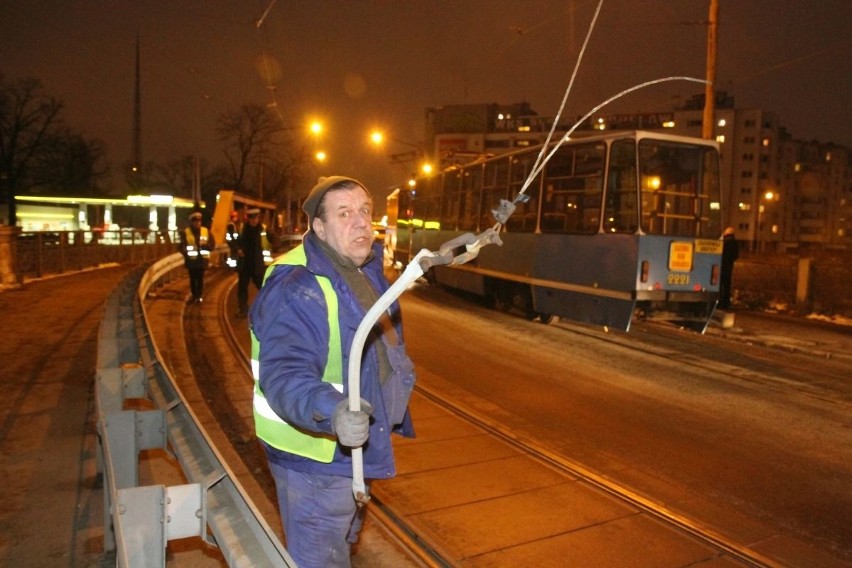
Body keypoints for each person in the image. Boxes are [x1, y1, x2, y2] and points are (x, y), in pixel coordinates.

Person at [249, 176, 416, 568]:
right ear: (318, 228)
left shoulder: (363, 268)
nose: (361, 223)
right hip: (316, 458)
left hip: (352, 449)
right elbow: (285, 373)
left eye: (364, 211)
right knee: (320, 559)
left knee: (341, 544)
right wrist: (333, 410)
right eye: (344, 214)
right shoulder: (298, 285)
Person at [235, 208, 272, 317]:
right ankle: (243, 310)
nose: (254, 220)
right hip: (245, 264)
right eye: (251, 218)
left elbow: (275, 240)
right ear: (248, 219)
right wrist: (238, 249)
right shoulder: (242, 229)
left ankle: (268, 308)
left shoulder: (264, 229)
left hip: (258, 265)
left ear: (258, 218)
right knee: (242, 288)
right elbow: (235, 242)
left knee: (263, 287)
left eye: (255, 218)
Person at [179, 211, 214, 304]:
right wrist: (187, 251)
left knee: (200, 278)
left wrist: (205, 246)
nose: (197, 223)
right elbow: (181, 246)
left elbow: (212, 245)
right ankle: (195, 296)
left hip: (202, 260)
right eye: (195, 221)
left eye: (199, 221)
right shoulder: (186, 232)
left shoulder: (206, 231)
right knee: (193, 279)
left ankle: (199, 296)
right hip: (191, 261)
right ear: (191, 222)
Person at [719, 226, 739, 309]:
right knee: (727, 285)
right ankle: (726, 303)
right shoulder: (735, 243)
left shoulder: (724, 242)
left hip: (721, 265)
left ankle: (719, 302)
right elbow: (736, 256)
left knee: (720, 285)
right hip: (729, 266)